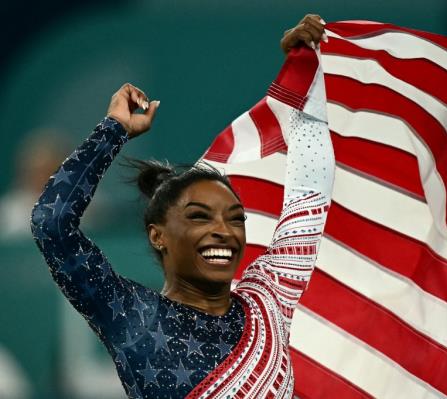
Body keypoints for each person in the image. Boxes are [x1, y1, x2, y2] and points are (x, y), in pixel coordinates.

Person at [31, 15, 332, 399]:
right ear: (158, 235)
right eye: (199, 216)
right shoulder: (133, 316)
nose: (224, 230)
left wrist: (305, 68)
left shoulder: (267, 301)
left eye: (235, 219)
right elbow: (52, 224)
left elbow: (310, 191)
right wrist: (112, 130)